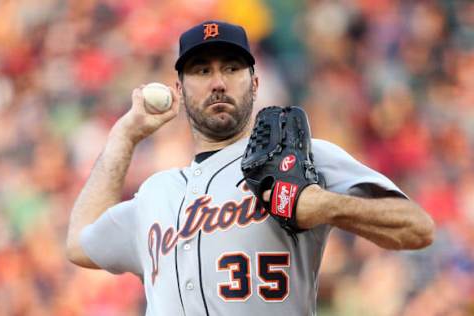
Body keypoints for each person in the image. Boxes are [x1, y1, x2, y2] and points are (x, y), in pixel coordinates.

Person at [66, 20, 435, 315]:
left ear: (255, 83)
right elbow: (80, 244)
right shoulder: (156, 193)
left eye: (231, 67)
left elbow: (416, 227)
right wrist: (124, 136)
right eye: (201, 70)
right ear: (178, 89)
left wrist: (324, 205)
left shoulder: (300, 157)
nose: (218, 83)